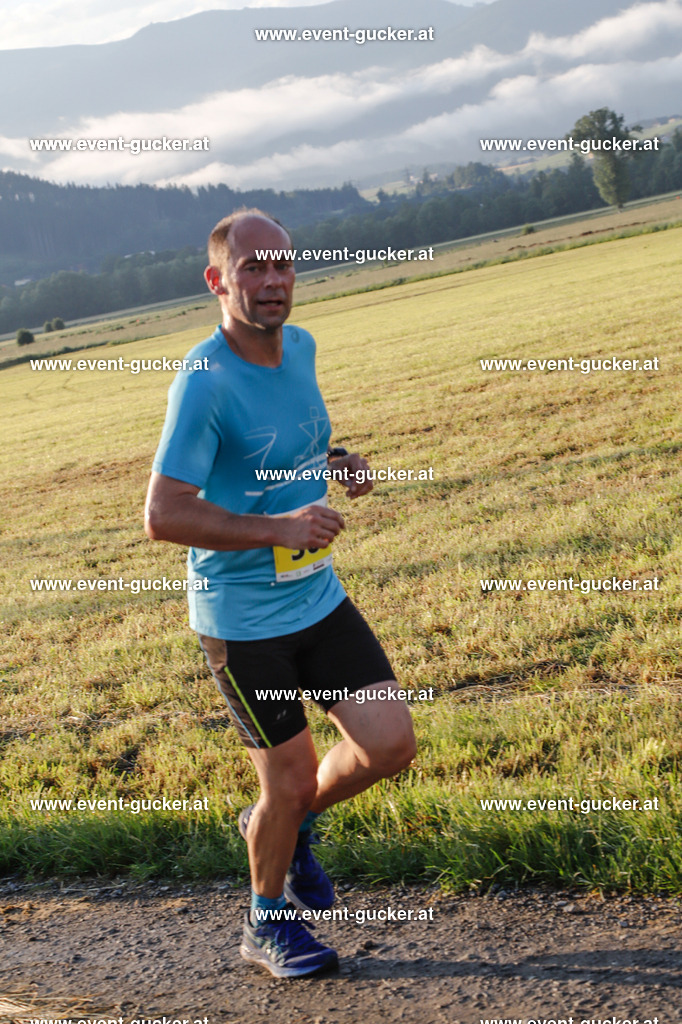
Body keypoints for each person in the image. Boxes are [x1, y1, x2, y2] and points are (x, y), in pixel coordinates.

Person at [144, 208, 416, 978]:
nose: (272, 281)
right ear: (217, 280)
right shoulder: (203, 382)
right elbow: (163, 516)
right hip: (242, 619)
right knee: (289, 781)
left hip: (314, 599)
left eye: (282, 265)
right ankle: (266, 925)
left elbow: (289, 442)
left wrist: (340, 458)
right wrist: (276, 528)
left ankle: (276, 826)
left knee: (390, 744)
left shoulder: (301, 347)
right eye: (253, 268)